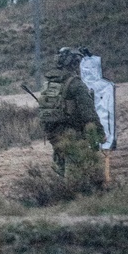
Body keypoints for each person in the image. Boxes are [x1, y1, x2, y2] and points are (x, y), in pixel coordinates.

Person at [38, 47, 105, 176]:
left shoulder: (50, 82)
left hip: (52, 132)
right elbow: (89, 114)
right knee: (76, 169)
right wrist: (99, 133)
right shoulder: (76, 84)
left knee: (61, 166)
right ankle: (72, 191)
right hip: (73, 133)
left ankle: (60, 190)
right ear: (73, 63)